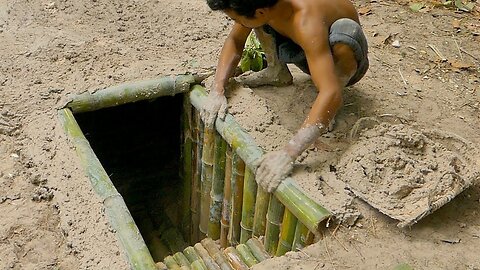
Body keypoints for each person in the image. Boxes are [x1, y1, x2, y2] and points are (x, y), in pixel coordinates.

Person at [200, 0, 369, 192]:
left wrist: (288, 154)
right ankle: (277, 71)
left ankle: (329, 104)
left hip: (340, 53)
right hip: (304, 45)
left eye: (233, 18)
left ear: (261, 11)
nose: (234, 21)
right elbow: (235, 40)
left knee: (345, 33)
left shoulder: (307, 22)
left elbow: (330, 92)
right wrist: (217, 90)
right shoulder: (266, 7)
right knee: (250, 21)